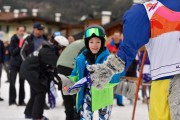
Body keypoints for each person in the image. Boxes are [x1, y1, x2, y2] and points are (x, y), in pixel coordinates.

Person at [87, 0, 180, 120]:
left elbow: (128, 48)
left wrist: (109, 69)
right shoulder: (147, 12)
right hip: (164, 78)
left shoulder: (148, 10)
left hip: (165, 80)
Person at [59, 25, 121, 120]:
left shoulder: (109, 59)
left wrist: (103, 79)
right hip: (86, 95)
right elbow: (76, 74)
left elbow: (116, 78)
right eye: (91, 42)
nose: (94, 45)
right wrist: (70, 81)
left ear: (103, 42)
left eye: (98, 42)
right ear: (87, 43)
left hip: (103, 97)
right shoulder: (81, 58)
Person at [20, 34, 69, 120]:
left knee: (36, 92)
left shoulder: (49, 50)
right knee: (41, 91)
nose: (64, 51)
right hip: (30, 70)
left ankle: (28, 113)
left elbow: (51, 68)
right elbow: (58, 66)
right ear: (59, 46)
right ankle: (37, 116)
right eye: (63, 48)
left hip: (30, 69)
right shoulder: (49, 52)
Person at [106, 30, 124, 106]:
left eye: (118, 36)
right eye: (115, 36)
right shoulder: (109, 45)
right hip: (111, 66)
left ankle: (120, 101)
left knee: (120, 83)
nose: (116, 37)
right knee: (111, 83)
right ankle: (110, 100)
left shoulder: (123, 45)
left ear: (120, 36)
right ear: (113, 37)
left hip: (121, 66)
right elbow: (106, 54)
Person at [9, 25, 26, 106]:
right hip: (14, 64)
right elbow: (12, 52)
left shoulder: (25, 40)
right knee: (12, 82)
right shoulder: (13, 39)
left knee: (22, 83)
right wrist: (19, 46)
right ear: (17, 31)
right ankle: (12, 101)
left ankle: (21, 101)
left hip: (22, 64)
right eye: (20, 30)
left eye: (23, 31)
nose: (22, 32)